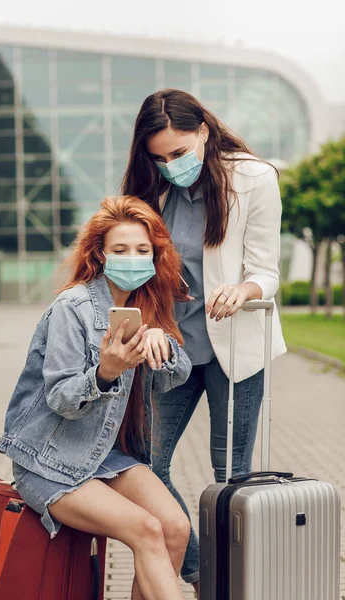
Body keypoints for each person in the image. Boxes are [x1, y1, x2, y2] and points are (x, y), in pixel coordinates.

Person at [121, 88, 287, 593]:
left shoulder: (253, 178)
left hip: (234, 346)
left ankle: (235, 582)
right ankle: (200, 570)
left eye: (178, 152)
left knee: (230, 477)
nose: (170, 165)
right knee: (145, 463)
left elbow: (267, 270)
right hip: (169, 347)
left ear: (204, 132)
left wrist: (244, 288)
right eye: (159, 157)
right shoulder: (153, 189)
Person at [0, 196, 193, 600]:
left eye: (143, 250)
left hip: (106, 456)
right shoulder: (73, 308)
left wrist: (164, 344)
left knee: (175, 528)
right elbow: (62, 398)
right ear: (101, 254)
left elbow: (177, 376)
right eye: (120, 250)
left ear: (156, 255)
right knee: (147, 530)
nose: (133, 258)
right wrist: (105, 372)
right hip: (49, 460)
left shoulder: (147, 306)